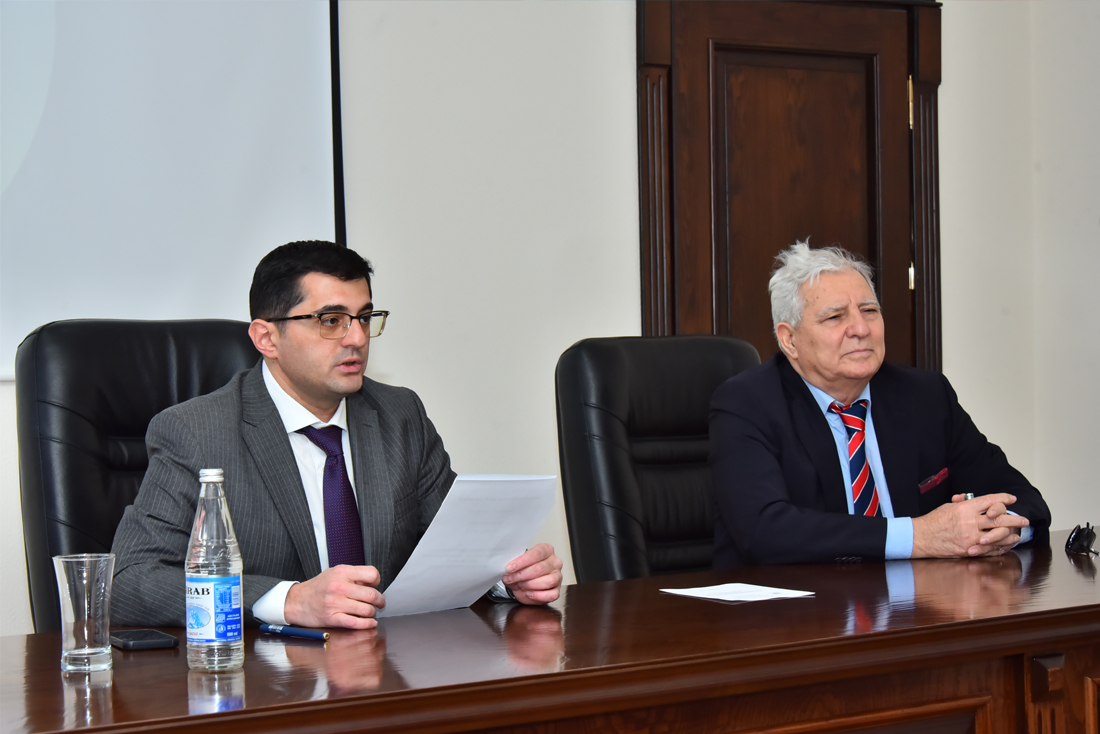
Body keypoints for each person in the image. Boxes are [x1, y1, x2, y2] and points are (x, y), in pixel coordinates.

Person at [111, 240, 562, 628]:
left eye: (364, 317)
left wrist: (508, 576)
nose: (357, 339)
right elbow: (129, 580)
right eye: (331, 320)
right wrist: (288, 600)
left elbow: (454, 548)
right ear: (267, 338)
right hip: (270, 681)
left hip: (390, 670)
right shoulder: (196, 431)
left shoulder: (399, 414)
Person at [710, 242, 1050, 568]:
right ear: (789, 339)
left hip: (916, 599)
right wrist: (920, 535)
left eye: (869, 311)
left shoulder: (925, 395)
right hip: (797, 603)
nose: (861, 329)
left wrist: (1001, 529)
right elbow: (764, 530)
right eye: (835, 317)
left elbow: (1023, 498)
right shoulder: (747, 403)